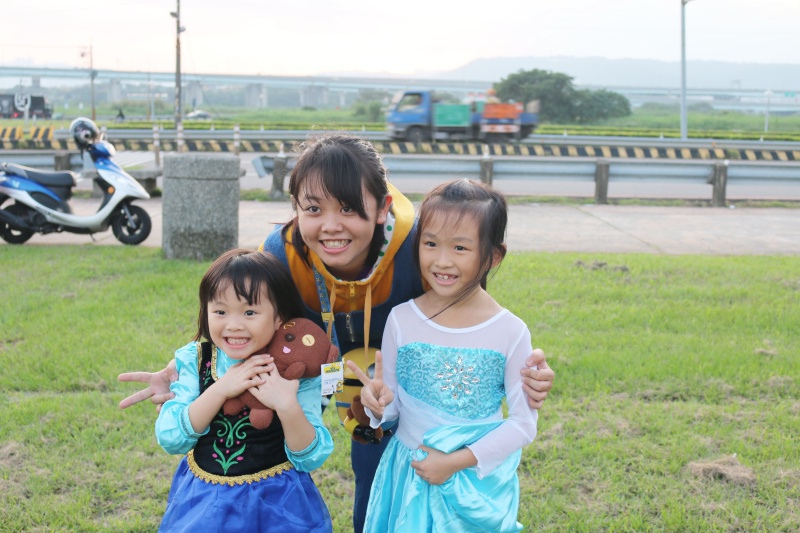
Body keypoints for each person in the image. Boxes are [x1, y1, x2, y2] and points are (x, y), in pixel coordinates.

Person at [118, 133, 555, 533]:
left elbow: (470, 311)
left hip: (387, 370)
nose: (330, 225)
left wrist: (525, 374)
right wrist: (192, 363)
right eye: (313, 209)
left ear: (383, 208)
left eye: (348, 208)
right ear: (295, 208)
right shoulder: (282, 254)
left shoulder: (419, 247)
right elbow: (245, 318)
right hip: (315, 360)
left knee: (375, 459)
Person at [348, 179, 537, 532]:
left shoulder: (510, 332)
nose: (442, 260)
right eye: (431, 243)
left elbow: (523, 424)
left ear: (494, 256)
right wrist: (378, 405)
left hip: (472, 485)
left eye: (460, 248)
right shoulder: (402, 320)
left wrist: (454, 462)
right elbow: (392, 410)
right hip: (408, 475)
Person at [154, 248, 333, 532]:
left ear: (279, 317)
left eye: (250, 312)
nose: (234, 325)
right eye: (220, 311)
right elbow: (171, 438)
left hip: (280, 508)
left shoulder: (296, 372)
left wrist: (287, 406)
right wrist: (220, 390)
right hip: (204, 507)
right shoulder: (195, 360)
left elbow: (311, 457)